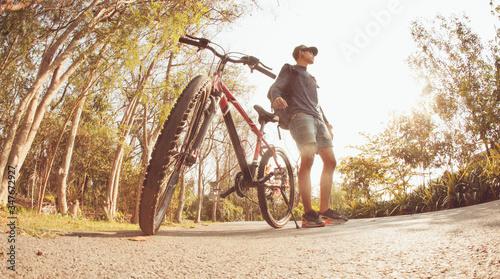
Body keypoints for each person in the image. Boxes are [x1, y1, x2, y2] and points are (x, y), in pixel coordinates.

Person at [270, 44, 348, 227]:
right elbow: (276, 87)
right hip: (300, 116)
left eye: (314, 52)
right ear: (300, 53)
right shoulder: (290, 69)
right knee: (308, 158)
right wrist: (275, 98)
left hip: (317, 119)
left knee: (330, 160)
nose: (313, 54)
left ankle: (325, 210)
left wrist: (327, 123)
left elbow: (317, 104)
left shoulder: (312, 78)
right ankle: (308, 213)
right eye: (310, 51)